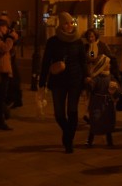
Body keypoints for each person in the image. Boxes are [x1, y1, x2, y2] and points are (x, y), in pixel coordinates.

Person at [38, 12, 89, 153]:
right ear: (60, 24)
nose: (69, 26)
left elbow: (83, 62)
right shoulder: (53, 41)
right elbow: (46, 62)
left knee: (72, 111)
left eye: (71, 23)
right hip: (58, 81)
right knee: (59, 114)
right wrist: (42, 81)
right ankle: (67, 133)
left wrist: (86, 78)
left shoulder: (78, 41)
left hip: (75, 80)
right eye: (66, 23)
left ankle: (68, 141)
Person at [85, 52, 118, 148]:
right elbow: (91, 87)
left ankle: (110, 141)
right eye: (108, 63)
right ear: (103, 65)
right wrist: (89, 83)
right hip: (97, 103)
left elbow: (117, 89)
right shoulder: (96, 77)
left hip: (108, 103)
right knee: (95, 121)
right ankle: (89, 140)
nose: (109, 65)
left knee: (108, 122)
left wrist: (115, 88)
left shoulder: (110, 77)